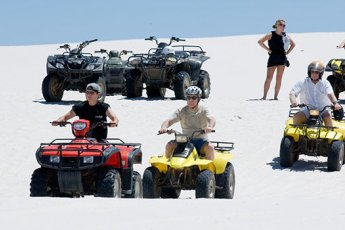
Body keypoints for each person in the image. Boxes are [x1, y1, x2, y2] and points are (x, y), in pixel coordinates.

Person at [159, 86, 216, 160]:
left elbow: (211, 118)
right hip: (184, 140)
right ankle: (168, 167)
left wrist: (210, 127)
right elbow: (169, 121)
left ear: (199, 99)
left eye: (194, 98)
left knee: (210, 147)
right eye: (188, 97)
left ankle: (209, 170)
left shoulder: (203, 110)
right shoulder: (182, 110)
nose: (190, 100)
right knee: (169, 145)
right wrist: (164, 127)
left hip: (200, 140)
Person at [52, 83, 119, 141]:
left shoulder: (103, 107)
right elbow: (66, 116)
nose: (89, 95)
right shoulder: (80, 107)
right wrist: (58, 121)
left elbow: (115, 118)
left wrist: (113, 122)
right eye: (87, 92)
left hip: (100, 141)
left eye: (92, 93)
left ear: (98, 94)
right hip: (82, 140)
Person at [289, 61, 342, 127]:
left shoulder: (325, 83)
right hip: (307, 109)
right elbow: (292, 93)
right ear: (309, 72)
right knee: (296, 116)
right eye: (312, 72)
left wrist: (335, 103)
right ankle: (298, 135)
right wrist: (293, 102)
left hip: (323, 109)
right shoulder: (303, 82)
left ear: (320, 73)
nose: (314, 74)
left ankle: (328, 134)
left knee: (328, 118)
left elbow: (330, 94)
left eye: (316, 72)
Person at [258, 19, 296, 100]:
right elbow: (260, 41)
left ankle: (275, 97)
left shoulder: (285, 36)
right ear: (276, 25)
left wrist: (287, 52)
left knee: (279, 78)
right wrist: (268, 50)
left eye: (284, 25)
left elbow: (293, 44)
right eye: (281, 25)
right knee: (269, 78)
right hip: (273, 57)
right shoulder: (271, 34)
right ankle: (264, 96)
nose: (283, 27)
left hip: (282, 58)